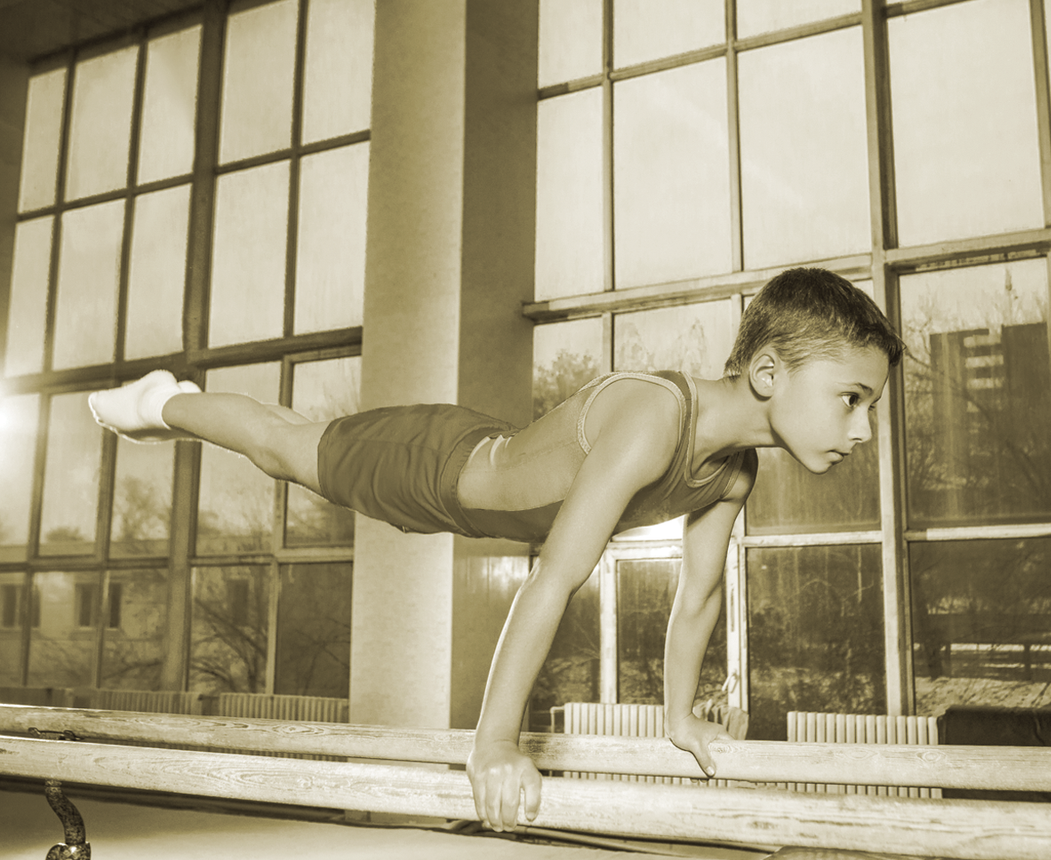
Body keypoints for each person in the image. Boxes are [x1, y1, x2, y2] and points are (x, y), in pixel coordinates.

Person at [88, 267, 903, 831]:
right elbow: (552, 579)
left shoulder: (731, 474)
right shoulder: (655, 418)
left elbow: (698, 599)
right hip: (436, 467)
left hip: (485, 463)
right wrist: (495, 742)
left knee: (293, 441)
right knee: (282, 449)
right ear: (768, 372)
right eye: (851, 399)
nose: (862, 430)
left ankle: (172, 401)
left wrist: (680, 716)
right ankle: (166, 404)